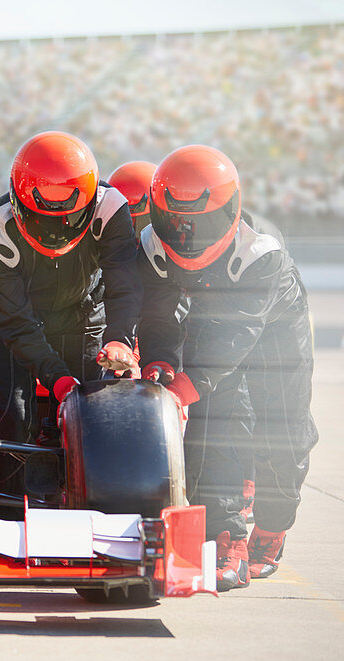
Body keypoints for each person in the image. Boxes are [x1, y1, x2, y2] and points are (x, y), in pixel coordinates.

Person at [137, 144, 317, 591]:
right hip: (207, 315)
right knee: (216, 422)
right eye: (176, 221)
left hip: (272, 323)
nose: (184, 233)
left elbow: (235, 339)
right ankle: (225, 535)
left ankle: (272, 529)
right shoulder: (153, 246)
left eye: (196, 223)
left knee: (283, 429)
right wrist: (159, 362)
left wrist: (186, 385)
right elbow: (157, 315)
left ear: (228, 210)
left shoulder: (262, 254)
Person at [0, 131, 142, 514]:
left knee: (94, 411)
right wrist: (57, 378)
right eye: (44, 216)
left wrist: (119, 340)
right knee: (14, 415)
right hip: (12, 324)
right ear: (19, 201)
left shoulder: (112, 208)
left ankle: (95, 510)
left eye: (66, 216)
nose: (55, 229)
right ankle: (11, 511)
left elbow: (125, 284)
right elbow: (15, 323)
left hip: (83, 313)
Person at [110, 158, 257, 522]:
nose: (132, 227)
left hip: (175, 342)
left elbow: (179, 313)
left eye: (138, 216)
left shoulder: (191, 245)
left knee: (227, 406)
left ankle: (239, 487)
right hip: (130, 343)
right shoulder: (110, 249)